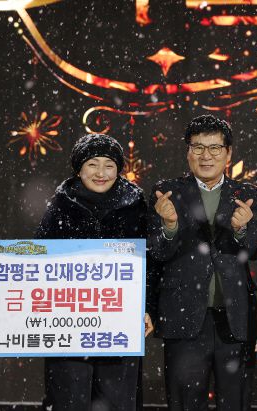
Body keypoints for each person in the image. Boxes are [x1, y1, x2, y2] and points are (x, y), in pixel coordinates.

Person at [148, 114, 257, 411]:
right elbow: (157, 253)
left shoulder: (247, 195)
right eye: (198, 147)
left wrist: (242, 231)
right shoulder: (167, 193)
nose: (206, 156)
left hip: (235, 318)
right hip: (183, 317)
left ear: (228, 152)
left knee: (236, 403)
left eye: (214, 148)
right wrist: (170, 226)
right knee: (184, 404)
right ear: (188, 152)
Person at [36, 133, 153, 410]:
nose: (101, 173)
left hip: (119, 323)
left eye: (109, 165)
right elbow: (37, 265)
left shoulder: (135, 206)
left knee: (117, 401)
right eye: (92, 164)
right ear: (79, 168)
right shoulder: (59, 206)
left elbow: (150, 261)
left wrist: (148, 307)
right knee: (68, 399)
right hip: (68, 325)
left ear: (118, 169)